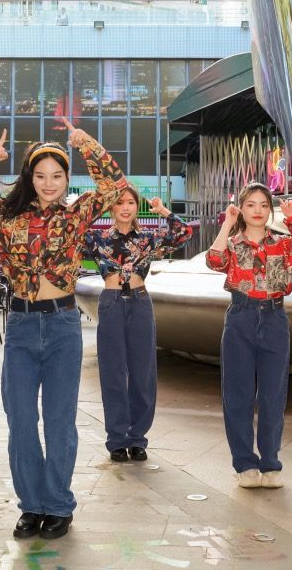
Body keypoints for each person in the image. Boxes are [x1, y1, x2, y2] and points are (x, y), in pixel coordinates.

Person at [0, 120, 126, 540]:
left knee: (59, 421)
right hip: (20, 327)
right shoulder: (5, 215)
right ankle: (31, 505)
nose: (48, 183)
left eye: (56, 175)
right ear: (28, 178)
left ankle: (58, 505)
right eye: (40, 175)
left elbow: (114, 185)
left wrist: (84, 143)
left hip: (64, 325)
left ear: (67, 178)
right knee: (20, 420)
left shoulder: (78, 212)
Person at [205, 183, 292, 489]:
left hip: (274, 318)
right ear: (241, 209)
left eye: (264, 205)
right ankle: (244, 464)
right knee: (238, 395)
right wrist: (228, 224)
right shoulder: (233, 244)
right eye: (251, 205)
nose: (258, 211)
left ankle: (271, 463)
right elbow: (213, 260)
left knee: (273, 395)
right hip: (240, 317)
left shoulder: (283, 244)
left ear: (270, 210)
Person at [82, 188, 192, 463]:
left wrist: (163, 211)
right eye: (119, 203)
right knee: (113, 373)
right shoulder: (97, 237)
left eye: (131, 202)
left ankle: (138, 439)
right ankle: (117, 439)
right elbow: (69, 233)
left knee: (143, 373)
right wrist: (94, 204)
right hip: (111, 303)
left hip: (141, 302)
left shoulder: (148, 237)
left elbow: (184, 233)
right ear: (111, 208)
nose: (126, 207)